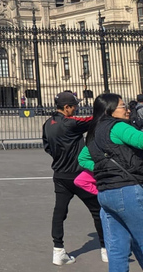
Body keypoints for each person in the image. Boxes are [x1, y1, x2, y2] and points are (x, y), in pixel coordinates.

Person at [78, 93, 143, 272]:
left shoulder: (93, 132)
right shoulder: (118, 127)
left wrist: (103, 168)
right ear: (110, 110)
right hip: (128, 189)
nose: (127, 110)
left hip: (106, 193)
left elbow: (83, 159)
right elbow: (141, 140)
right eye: (122, 106)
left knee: (117, 249)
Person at [42, 91, 105, 266]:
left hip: (60, 175)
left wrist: (61, 156)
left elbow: (47, 147)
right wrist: (105, 109)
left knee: (59, 212)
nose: (76, 108)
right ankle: (106, 248)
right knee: (97, 210)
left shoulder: (47, 124)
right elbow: (93, 120)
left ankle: (58, 250)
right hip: (79, 175)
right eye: (74, 105)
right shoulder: (71, 123)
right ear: (67, 107)